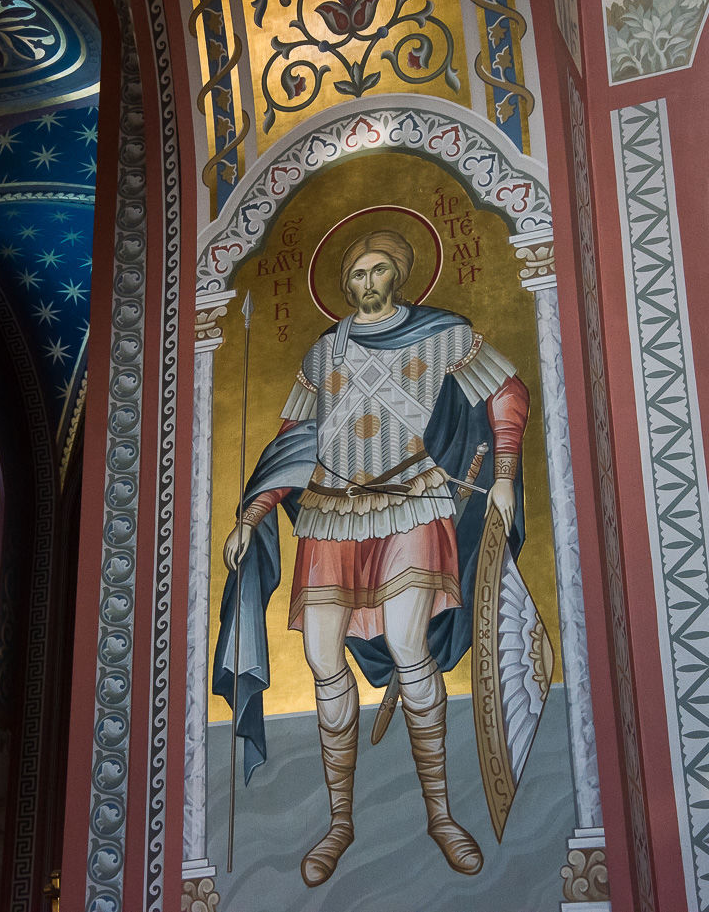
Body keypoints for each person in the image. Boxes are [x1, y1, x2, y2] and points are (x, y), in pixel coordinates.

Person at [218, 229, 528, 885]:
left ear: (399, 274)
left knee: (409, 643)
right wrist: (252, 514)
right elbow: (292, 442)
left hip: (412, 504)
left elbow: (507, 392)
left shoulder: (443, 335)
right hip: (332, 514)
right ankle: (339, 822)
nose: (366, 283)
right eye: (356, 273)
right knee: (321, 656)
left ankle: (441, 815)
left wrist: (503, 475)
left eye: (378, 269)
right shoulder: (324, 352)